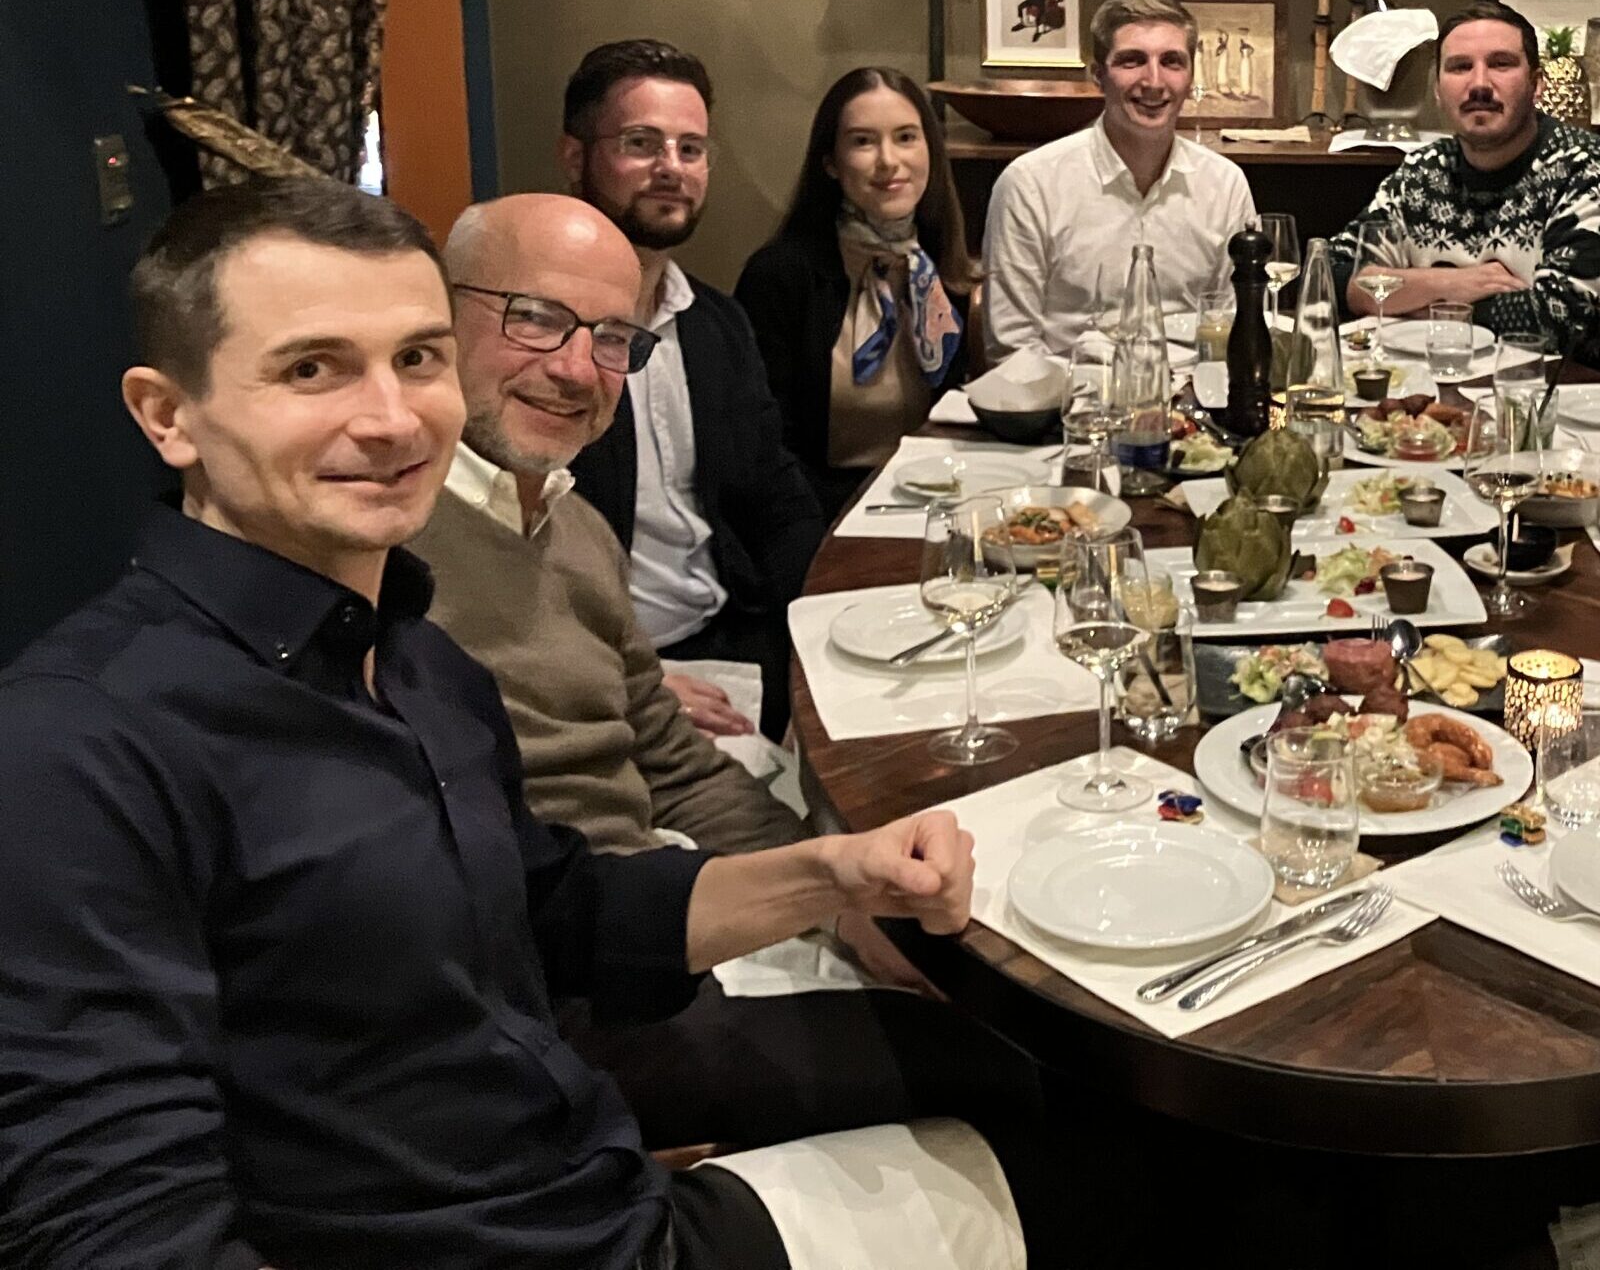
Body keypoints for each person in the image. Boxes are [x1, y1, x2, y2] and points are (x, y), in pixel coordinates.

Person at [0, 179, 1023, 1269]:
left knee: (1049, 1089)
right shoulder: (75, 747)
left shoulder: (418, 661)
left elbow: (559, 914)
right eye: (312, 369)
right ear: (168, 415)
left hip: (590, 1193)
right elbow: (111, 1229)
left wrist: (832, 875)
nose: (392, 418)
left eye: (416, 358)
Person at [412, 193, 807, 856]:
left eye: (612, 336)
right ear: (438, 315)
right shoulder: (379, 553)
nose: (576, 369)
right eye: (534, 317)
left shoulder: (577, 529)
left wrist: (818, 874)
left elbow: (676, 769)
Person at [558, 39, 825, 742]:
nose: (670, 167)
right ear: (575, 157)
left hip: (734, 640)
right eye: (641, 143)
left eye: (691, 148)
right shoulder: (540, 341)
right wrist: (628, 677)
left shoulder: (716, 323)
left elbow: (773, 491)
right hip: (602, 680)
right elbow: (505, 557)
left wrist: (831, 611)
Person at [736, 65, 976, 513]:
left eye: (906, 137)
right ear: (830, 162)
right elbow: (765, 446)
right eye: (863, 141)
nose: (889, 160)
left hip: (939, 500)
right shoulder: (779, 275)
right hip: (822, 512)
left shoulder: (942, 267)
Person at [1334, 1, 1600, 355]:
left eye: (1500, 64)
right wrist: (1449, 283)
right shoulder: (1422, 171)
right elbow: (1333, 274)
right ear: (1438, 90)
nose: (1479, 84)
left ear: (1537, 84)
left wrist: (1402, 303)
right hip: (1436, 380)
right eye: (1460, 67)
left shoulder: (1590, 166)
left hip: (1563, 383)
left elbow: (1558, 320)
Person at [981, 0, 1259, 360]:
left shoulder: (1225, 185)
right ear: (1098, 75)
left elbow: (1235, 326)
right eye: (1132, 61)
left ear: (1190, 76)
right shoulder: (1030, 185)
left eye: (1172, 62)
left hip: (1190, 392)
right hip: (1071, 392)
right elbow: (1012, 349)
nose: (1154, 81)